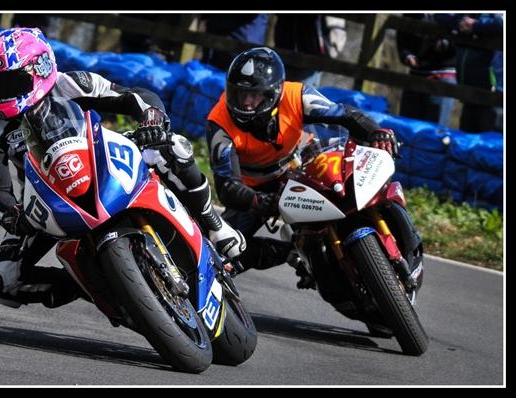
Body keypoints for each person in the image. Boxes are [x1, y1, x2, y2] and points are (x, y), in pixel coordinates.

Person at [0, 27, 246, 309]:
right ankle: (100, 286)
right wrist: (11, 216)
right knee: (3, 279)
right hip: (45, 199)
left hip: (100, 158)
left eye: (9, 82)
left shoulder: (72, 84)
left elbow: (134, 97)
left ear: (39, 68)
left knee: (172, 146)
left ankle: (215, 225)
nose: (0, 93)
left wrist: (151, 118)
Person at [205, 47, 398, 286]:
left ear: (274, 93)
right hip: (259, 190)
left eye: (253, 96)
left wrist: (376, 131)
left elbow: (345, 115)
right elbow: (227, 186)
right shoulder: (219, 123)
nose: (245, 103)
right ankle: (290, 254)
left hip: (304, 167)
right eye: (239, 94)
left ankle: (390, 226)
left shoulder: (297, 95)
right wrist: (258, 202)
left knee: (357, 185)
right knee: (218, 250)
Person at [435, 13, 503, 132]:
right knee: (465, 139)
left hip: (490, 97)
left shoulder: (492, 16)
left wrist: (476, 26)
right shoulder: (463, 17)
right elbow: (440, 16)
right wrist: (460, 22)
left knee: (487, 141)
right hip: (467, 94)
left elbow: (501, 23)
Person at [395, 13, 456, 127]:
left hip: (442, 76)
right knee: (406, 126)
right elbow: (402, 38)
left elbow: (463, 34)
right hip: (416, 75)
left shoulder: (452, 16)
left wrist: (445, 44)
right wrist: (407, 56)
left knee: (434, 130)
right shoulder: (411, 15)